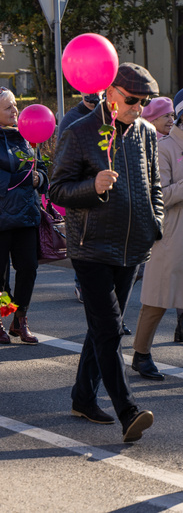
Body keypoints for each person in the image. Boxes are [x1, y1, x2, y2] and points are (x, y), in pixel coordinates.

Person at [49, 62, 163, 443]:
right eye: (132, 100)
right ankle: (127, 410)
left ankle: (83, 397)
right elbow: (57, 190)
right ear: (111, 91)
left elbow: (155, 186)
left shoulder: (145, 132)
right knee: (111, 328)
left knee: (101, 328)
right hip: (91, 247)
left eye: (144, 101)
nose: (139, 108)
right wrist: (93, 187)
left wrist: (155, 224)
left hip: (132, 248)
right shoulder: (80, 131)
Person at [0, 87, 48, 345]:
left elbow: (41, 169)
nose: (15, 111)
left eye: (15, 105)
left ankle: (20, 319)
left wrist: (40, 178)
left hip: (25, 214)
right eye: (8, 107)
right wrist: (25, 178)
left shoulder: (24, 137)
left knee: (29, 268)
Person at [130, 89, 183, 380]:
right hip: (171, 233)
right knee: (157, 299)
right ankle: (141, 353)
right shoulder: (164, 147)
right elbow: (159, 193)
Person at [57, 92, 101, 306]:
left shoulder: (109, 115)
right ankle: (81, 283)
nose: (95, 96)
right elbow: (62, 159)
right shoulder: (72, 119)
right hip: (81, 189)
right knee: (83, 238)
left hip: (106, 191)